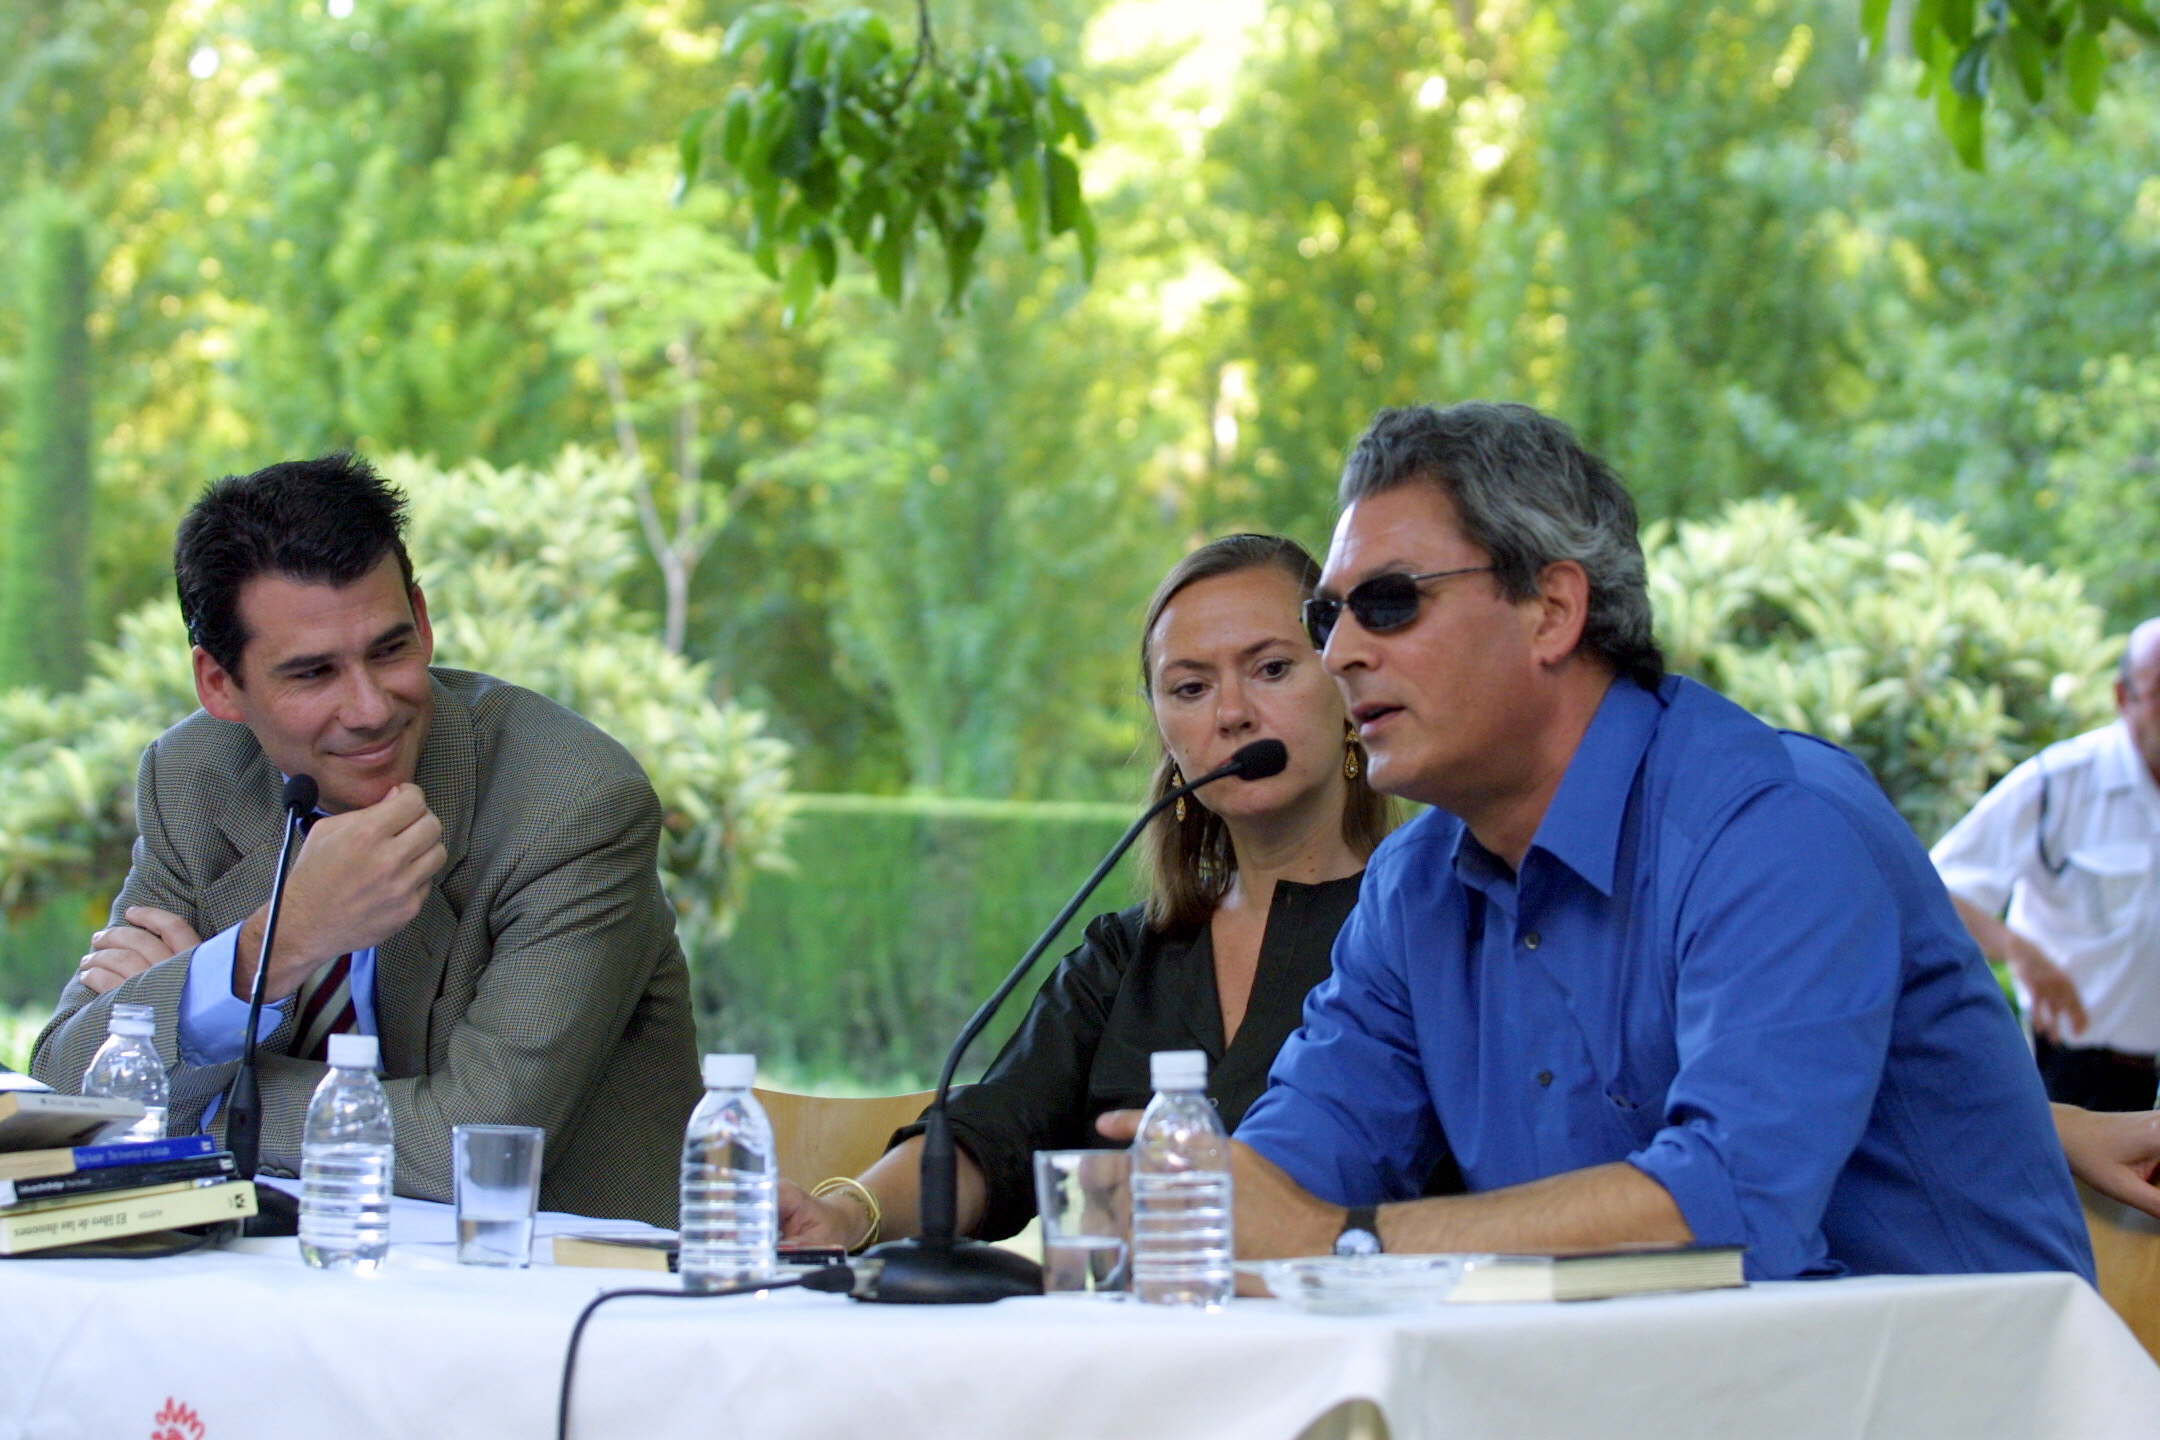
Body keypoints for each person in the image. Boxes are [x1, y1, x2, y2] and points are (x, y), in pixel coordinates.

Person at [1214, 402, 2092, 1281]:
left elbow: (1729, 1214)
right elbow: (1294, 1170)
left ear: (1552, 610)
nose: (1341, 654)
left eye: (1389, 602)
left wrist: (1339, 1242)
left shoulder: (1776, 829)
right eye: (1326, 618)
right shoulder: (1415, 887)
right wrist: (1183, 1195)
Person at [30, 454, 701, 1225]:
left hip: (541, 1287)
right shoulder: (194, 776)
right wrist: (270, 951)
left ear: (420, 617)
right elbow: (71, 1073)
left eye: (389, 649)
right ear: (219, 683)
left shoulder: (572, 804)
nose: (370, 708)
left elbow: (464, 1147)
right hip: (269, 1270)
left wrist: (200, 1089)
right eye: (312, 674)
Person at [778, 534, 1422, 1249]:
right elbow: (990, 1132)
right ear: (1164, 729)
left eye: (1271, 669)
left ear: (1346, 683)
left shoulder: (1428, 926)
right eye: (1190, 688)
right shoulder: (1125, 958)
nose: (1231, 713)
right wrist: (846, 1215)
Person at [1930, 619, 2160, 1112]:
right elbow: (1933, 890)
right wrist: (2016, 948)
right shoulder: (2061, 782)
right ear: (2125, 697)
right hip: (2083, 1075)